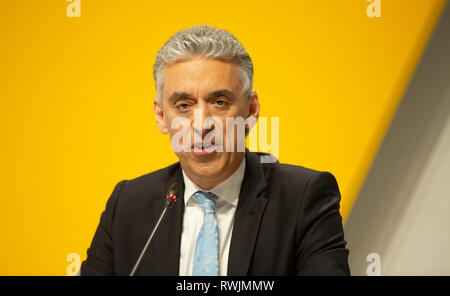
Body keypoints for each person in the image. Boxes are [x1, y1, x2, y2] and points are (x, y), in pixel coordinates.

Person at [80, 25, 350, 276]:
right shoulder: (128, 204)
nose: (201, 125)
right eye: (184, 105)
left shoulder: (303, 198)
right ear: (161, 116)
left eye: (219, 102)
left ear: (251, 110)